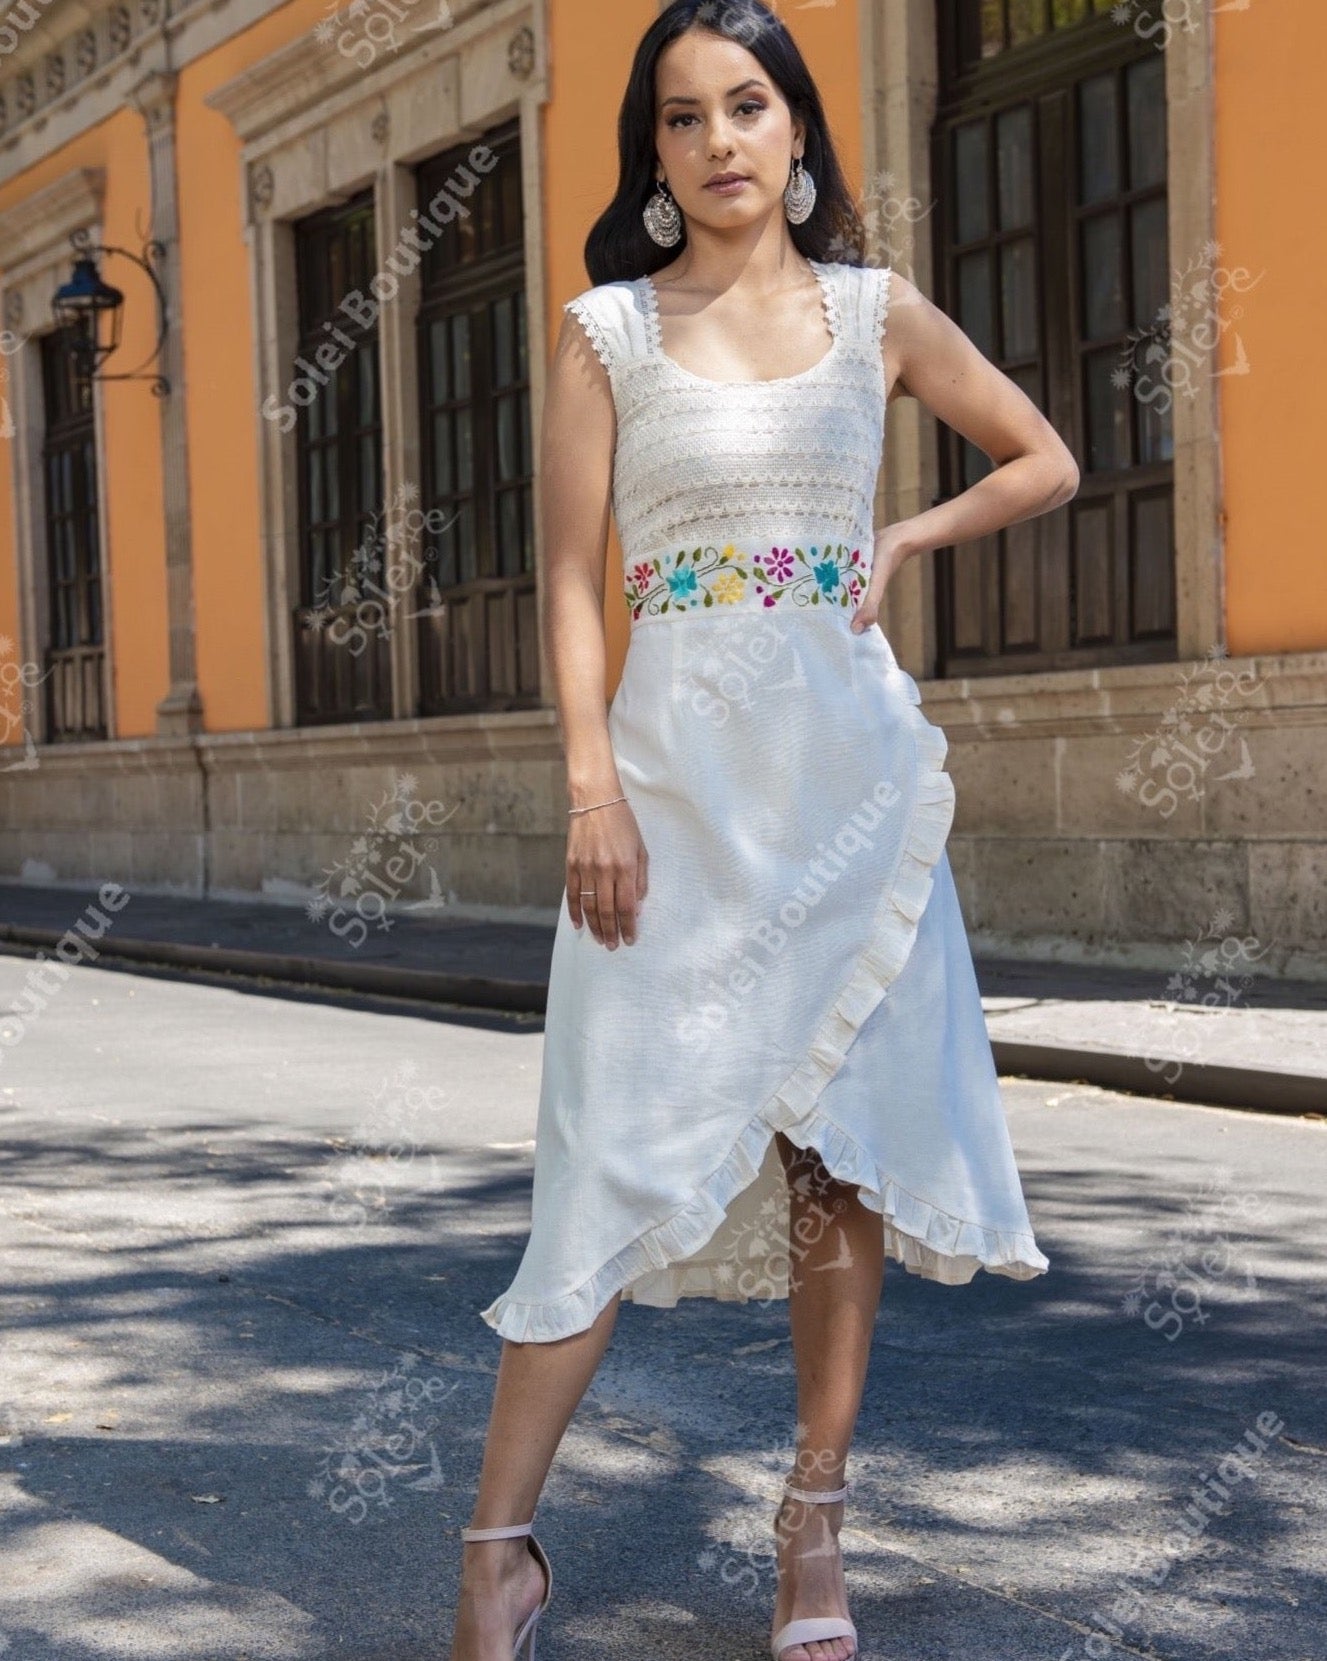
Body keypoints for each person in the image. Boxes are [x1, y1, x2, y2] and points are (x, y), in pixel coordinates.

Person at [450, 3, 1076, 1657]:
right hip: (667, 806)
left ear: (797, 130)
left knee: (837, 1158)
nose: (721, 140)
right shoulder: (606, 334)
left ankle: (814, 1528)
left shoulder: (875, 314)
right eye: (683, 117)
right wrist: (590, 788)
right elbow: (576, 585)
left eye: (749, 105)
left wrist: (907, 537)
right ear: (652, 157)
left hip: (849, 793)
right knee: (604, 1152)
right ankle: (498, 1544)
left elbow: (1046, 457)